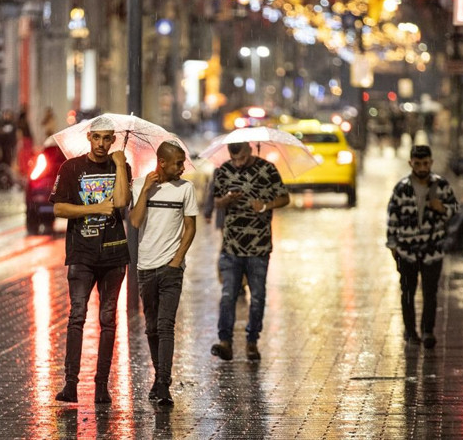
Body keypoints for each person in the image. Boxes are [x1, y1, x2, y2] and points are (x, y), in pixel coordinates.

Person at [50, 115, 131, 404]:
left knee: (108, 320)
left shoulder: (120, 166)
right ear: (89, 137)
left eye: (107, 138)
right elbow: (59, 208)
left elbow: (122, 202)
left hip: (114, 253)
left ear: (113, 140)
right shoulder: (71, 167)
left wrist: (121, 165)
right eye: (96, 137)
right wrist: (92, 208)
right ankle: (70, 384)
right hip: (81, 253)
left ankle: (101, 386)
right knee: (77, 316)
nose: (101, 143)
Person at [129, 141, 198, 406]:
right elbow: (135, 222)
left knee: (165, 325)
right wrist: (145, 190)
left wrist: (177, 260)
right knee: (151, 328)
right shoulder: (140, 185)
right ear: (162, 162)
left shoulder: (186, 189)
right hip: (146, 267)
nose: (182, 167)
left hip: (171, 269)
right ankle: (159, 379)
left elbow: (190, 227)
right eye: (178, 162)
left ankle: (163, 383)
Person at [210, 142, 290, 361]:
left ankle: (252, 341)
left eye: (242, 158)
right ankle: (225, 341)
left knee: (258, 296)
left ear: (251, 151)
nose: (238, 163)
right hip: (231, 245)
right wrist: (226, 200)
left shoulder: (268, 169)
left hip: (259, 246)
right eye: (234, 159)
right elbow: (216, 201)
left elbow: (285, 198)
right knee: (228, 295)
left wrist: (264, 206)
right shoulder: (224, 171)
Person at [386, 145, 459, 349]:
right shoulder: (402, 188)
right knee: (408, 292)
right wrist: (393, 245)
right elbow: (392, 217)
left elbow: (455, 210)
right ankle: (410, 332)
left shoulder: (441, 186)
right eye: (417, 163)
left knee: (430, 292)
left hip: (432, 249)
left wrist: (442, 208)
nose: (421, 167)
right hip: (407, 251)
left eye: (425, 163)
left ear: (431, 163)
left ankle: (428, 331)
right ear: (411, 163)